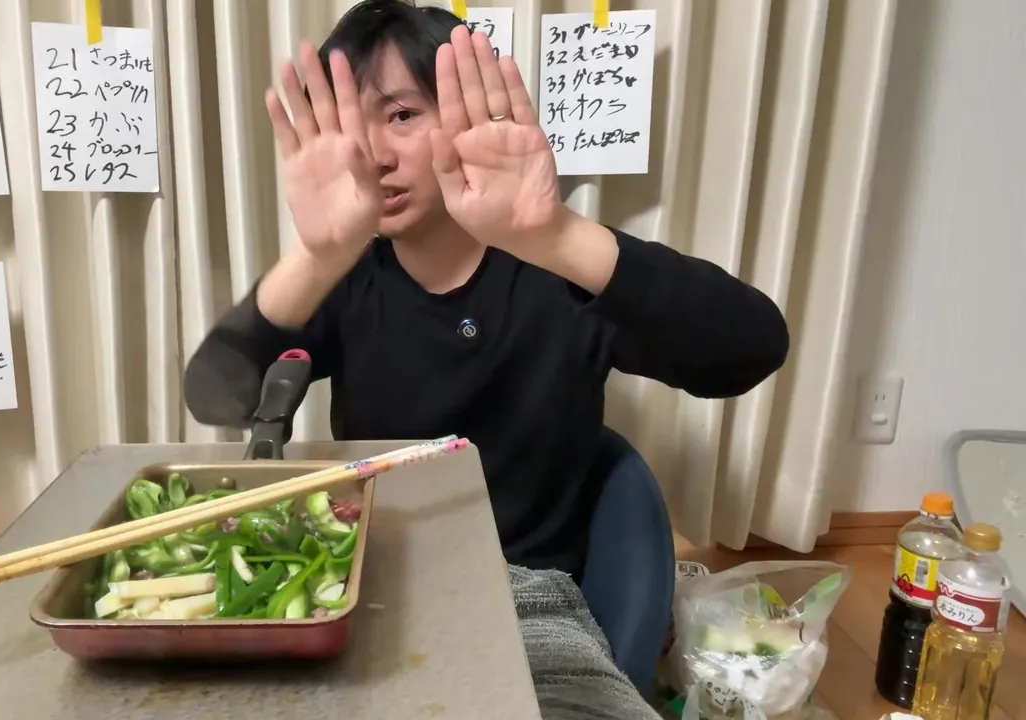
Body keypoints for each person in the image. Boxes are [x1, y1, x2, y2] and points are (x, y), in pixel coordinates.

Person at [184, 0, 788, 700]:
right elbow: (213, 393)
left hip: (529, 601)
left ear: (467, 113)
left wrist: (555, 233)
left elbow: (753, 346)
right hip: (364, 583)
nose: (375, 154)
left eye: (401, 115)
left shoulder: (557, 273)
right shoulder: (348, 281)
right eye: (353, 126)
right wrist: (316, 256)